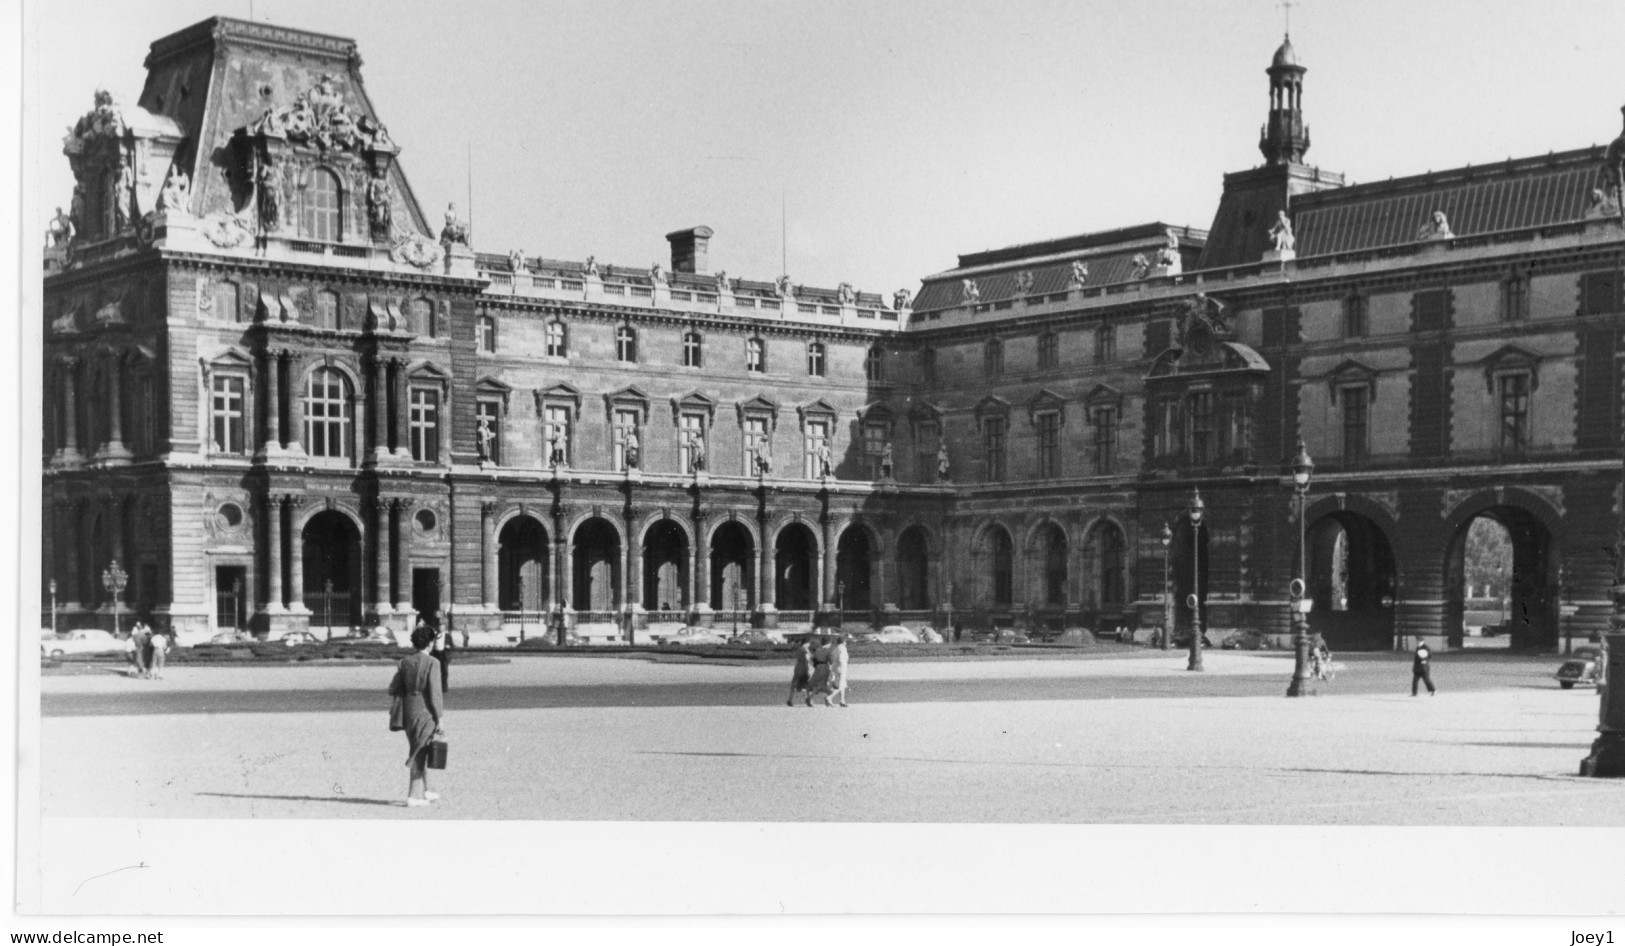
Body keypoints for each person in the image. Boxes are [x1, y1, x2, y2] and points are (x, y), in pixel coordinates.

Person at [389, 623, 446, 806]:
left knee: (421, 746)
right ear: (429, 643)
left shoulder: (405, 661)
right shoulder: (433, 663)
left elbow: (393, 687)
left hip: (408, 710)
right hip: (425, 710)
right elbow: (435, 694)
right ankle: (413, 796)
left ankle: (428, 790)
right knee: (419, 751)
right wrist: (440, 718)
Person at [787, 637, 815, 707]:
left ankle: (790, 699)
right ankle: (809, 700)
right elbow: (806, 660)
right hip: (803, 669)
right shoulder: (805, 650)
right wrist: (808, 670)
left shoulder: (799, 649)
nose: (809, 645)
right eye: (808, 643)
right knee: (808, 684)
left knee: (794, 683)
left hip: (797, 668)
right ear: (806, 643)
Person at [825, 635, 850, 707]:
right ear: (843, 642)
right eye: (845, 641)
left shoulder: (835, 648)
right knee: (841, 685)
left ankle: (842, 701)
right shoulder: (842, 648)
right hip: (841, 668)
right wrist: (842, 669)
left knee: (843, 684)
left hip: (835, 668)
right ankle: (829, 698)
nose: (846, 642)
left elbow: (831, 658)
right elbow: (841, 659)